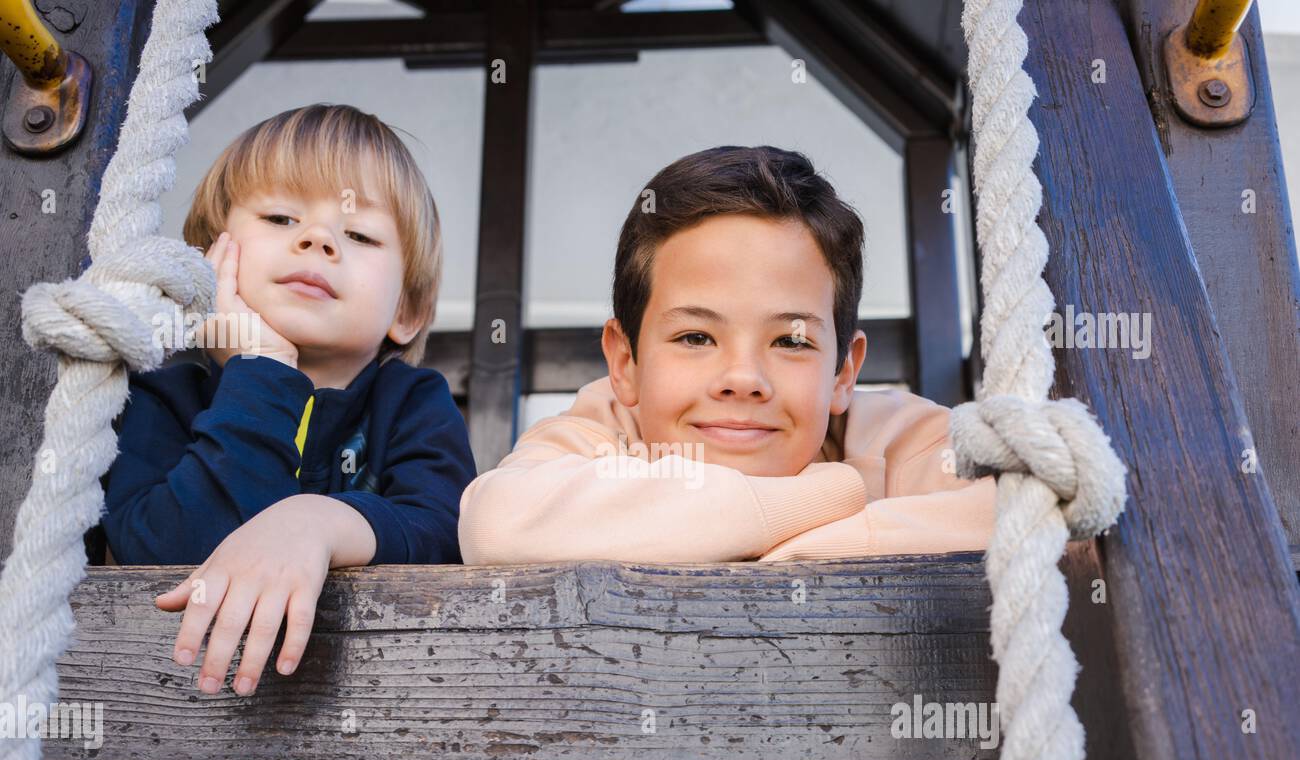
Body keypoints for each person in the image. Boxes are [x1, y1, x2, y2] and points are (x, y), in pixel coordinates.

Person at [458, 145, 994, 565]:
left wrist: (788, 557)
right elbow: (496, 524)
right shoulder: (602, 432)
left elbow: (1021, 514)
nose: (743, 378)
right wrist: (821, 499)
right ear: (625, 363)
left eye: (790, 341)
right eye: (696, 338)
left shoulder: (893, 437)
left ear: (844, 372)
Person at [103, 104, 474, 696]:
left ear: (406, 311)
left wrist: (316, 523)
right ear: (208, 265)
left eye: (358, 234)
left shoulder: (412, 402)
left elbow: (448, 534)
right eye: (280, 216)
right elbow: (169, 553)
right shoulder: (157, 399)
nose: (318, 238)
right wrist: (262, 369)